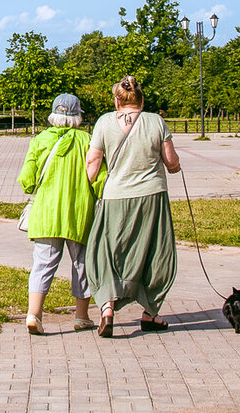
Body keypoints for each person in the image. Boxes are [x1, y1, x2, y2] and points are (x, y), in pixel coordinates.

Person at [85, 76, 181, 338]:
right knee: (155, 252)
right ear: (141, 99)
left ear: (117, 100)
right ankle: (150, 313)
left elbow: (93, 162)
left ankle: (107, 307)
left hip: (115, 197)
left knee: (106, 250)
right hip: (152, 196)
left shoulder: (105, 121)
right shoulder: (155, 121)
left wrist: (87, 187)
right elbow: (171, 162)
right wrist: (175, 166)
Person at [17, 93, 103, 334]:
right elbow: (98, 177)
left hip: (46, 214)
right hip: (79, 213)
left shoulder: (40, 140)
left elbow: (26, 180)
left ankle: (34, 314)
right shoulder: (88, 140)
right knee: (82, 264)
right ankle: (81, 316)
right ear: (78, 116)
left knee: (43, 263)